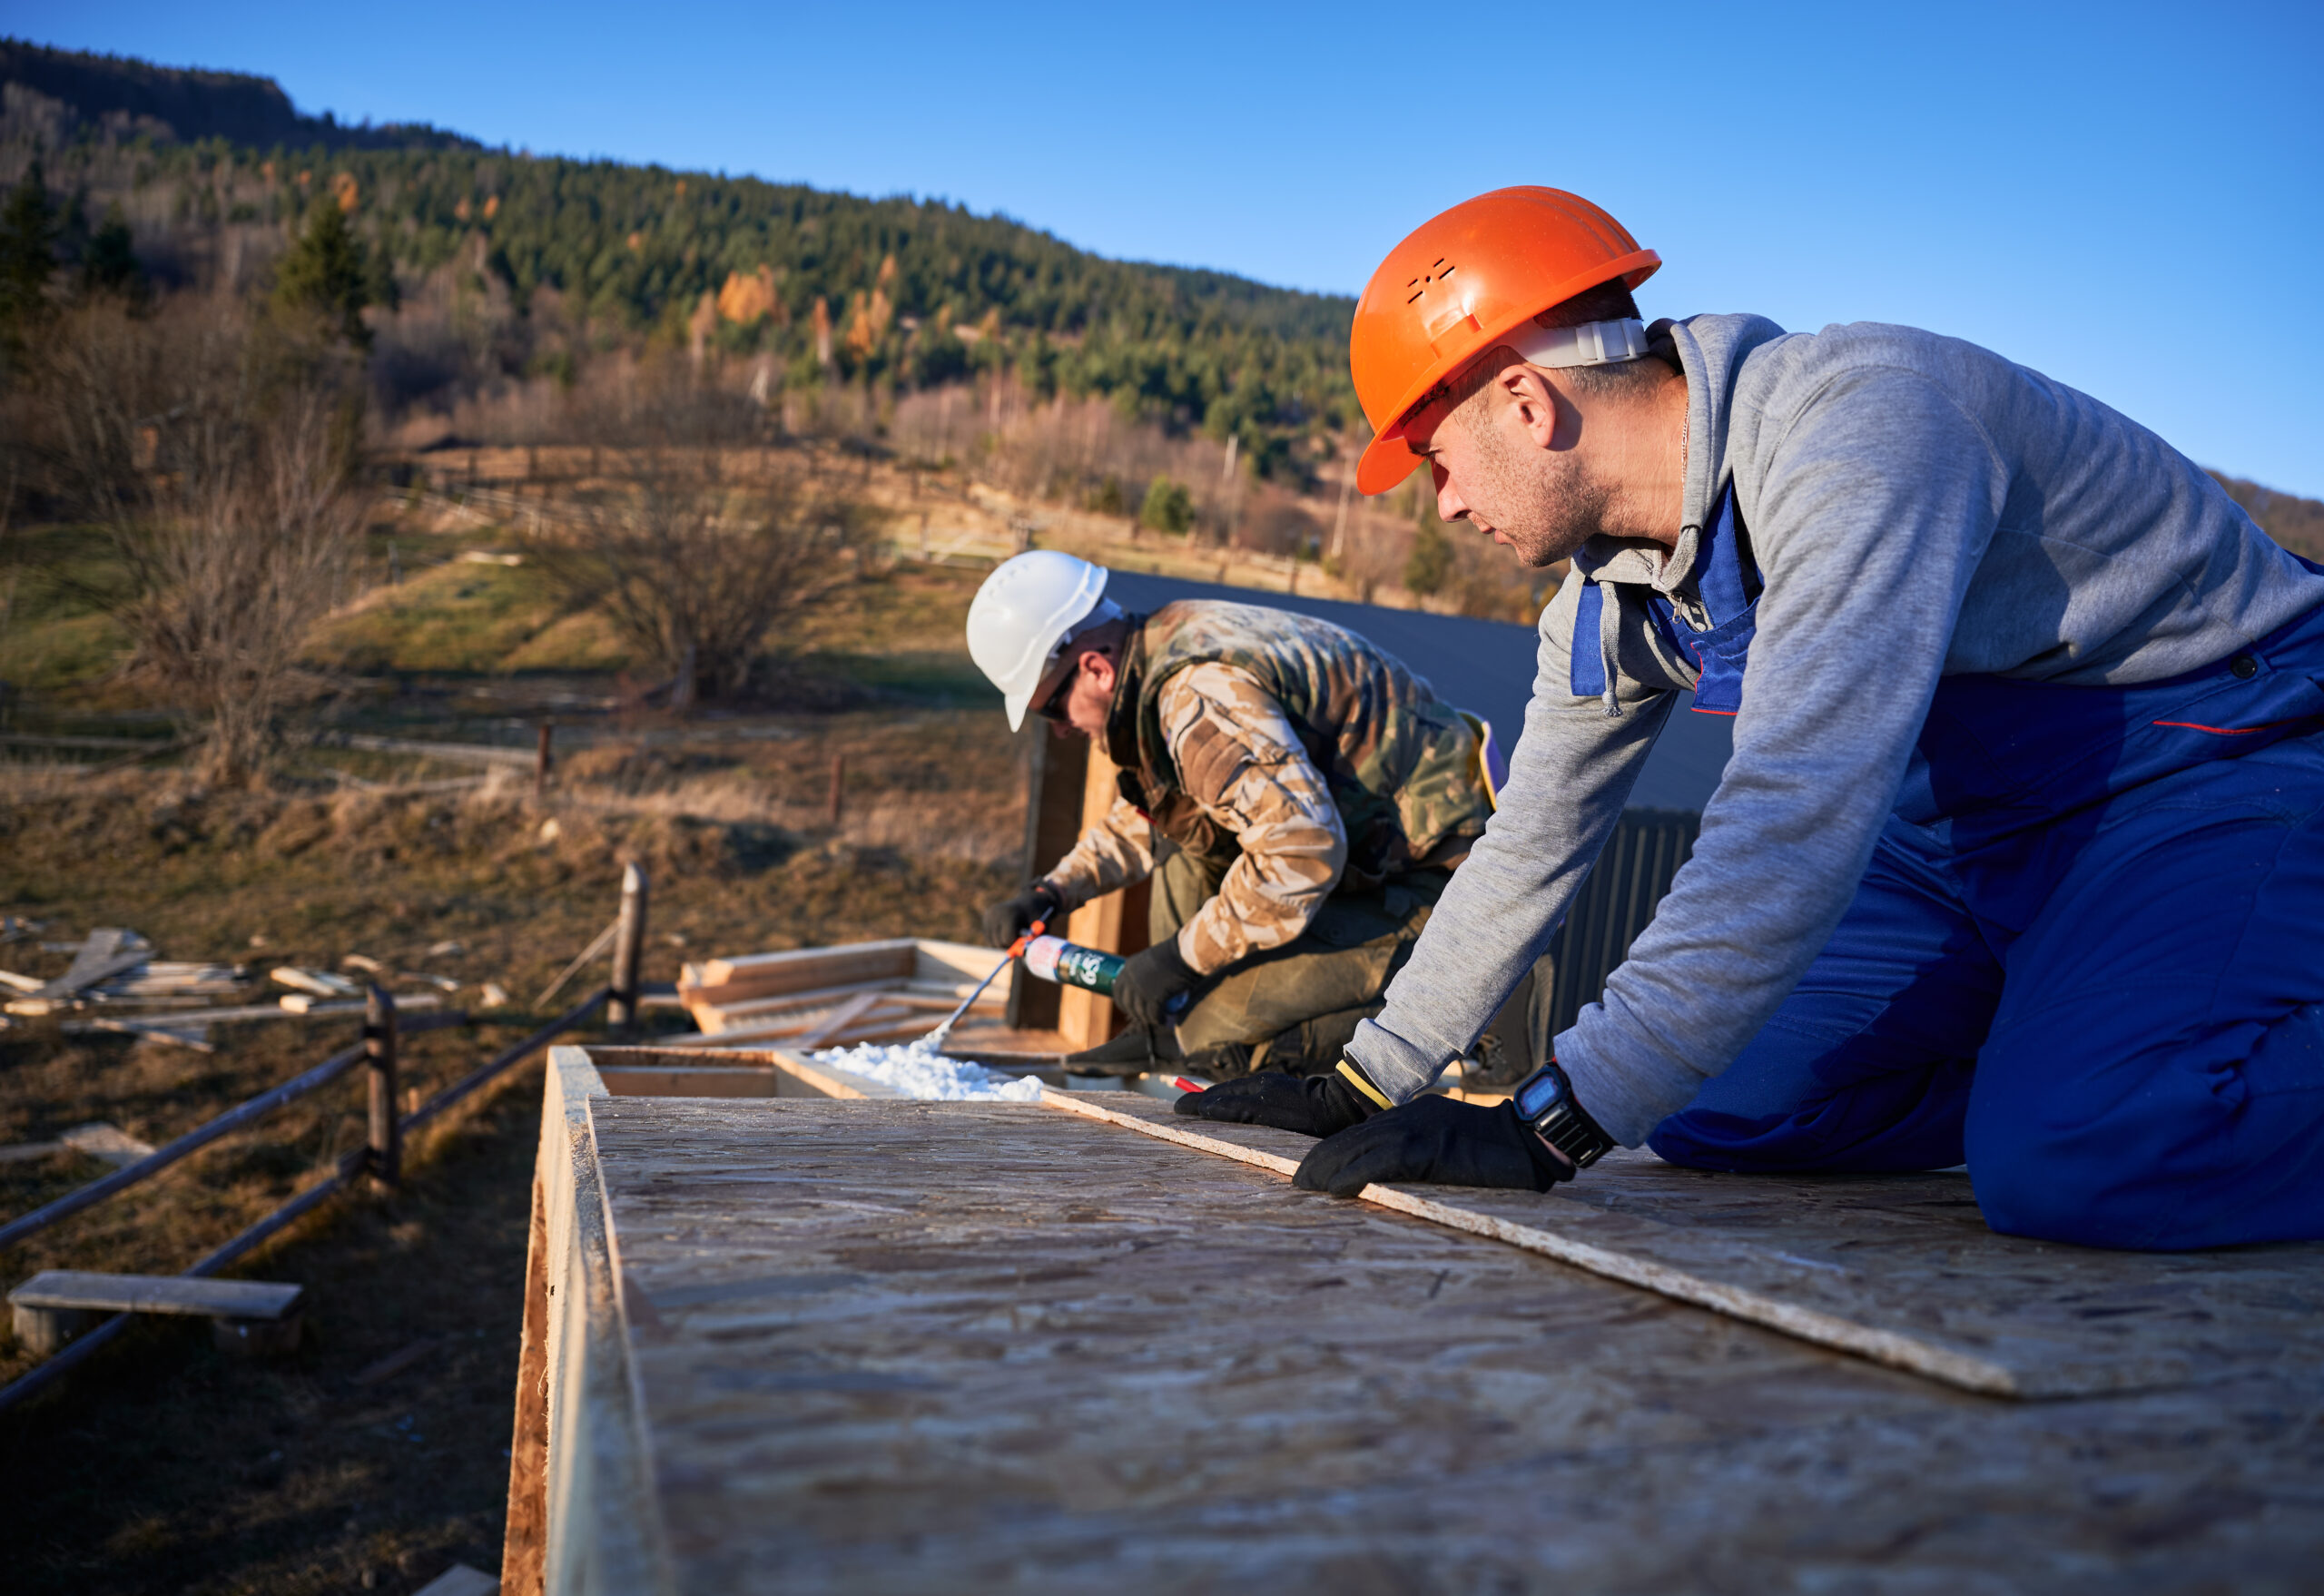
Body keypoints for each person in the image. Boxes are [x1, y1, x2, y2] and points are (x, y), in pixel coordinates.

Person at [1183, 185, 2324, 1251]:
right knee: (1707, 1106)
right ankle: (2087, 1036)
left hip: (2209, 767)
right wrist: (1374, 1074)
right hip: (1969, 833)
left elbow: (1795, 813)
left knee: (2085, 1153)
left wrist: (1549, 1131)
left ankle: (2110, 1075)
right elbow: (1531, 837)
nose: (1445, 504)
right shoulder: (1610, 599)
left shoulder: (1865, 430)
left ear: (1527, 404)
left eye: (1437, 460)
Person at [966, 551, 1499, 1078]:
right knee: (1184, 850)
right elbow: (1155, 814)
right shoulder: (1164, 640)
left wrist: (1178, 961)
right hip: (1368, 860)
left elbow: (1302, 851)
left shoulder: (1196, 700)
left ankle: (1478, 1018)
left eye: (1051, 710)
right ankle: (1171, 1029)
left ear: (1096, 669)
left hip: (1443, 889)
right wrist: (1053, 892)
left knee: (1212, 1038)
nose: (1058, 729)